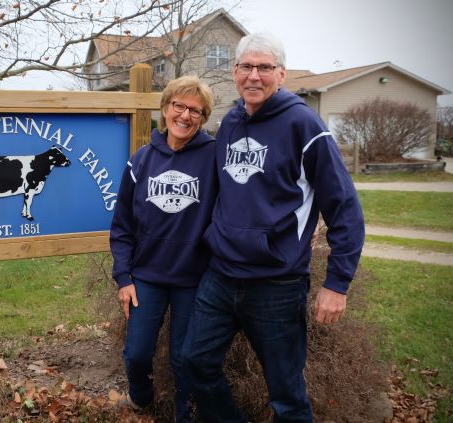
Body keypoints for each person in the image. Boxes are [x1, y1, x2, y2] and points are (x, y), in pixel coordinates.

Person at [182, 31, 365, 422]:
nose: (254, 76)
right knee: (195, 361)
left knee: (286, 391)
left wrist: (337, 283)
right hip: (221, 275)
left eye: (264, 68)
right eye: (246, 66)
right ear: (233, 71)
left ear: (281, 74)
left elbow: (344, 207)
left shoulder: (304, 125)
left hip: (276, 283)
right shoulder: (229, 122)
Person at [110, 75, 217, 422]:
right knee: (137, 354)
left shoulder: (214, 159)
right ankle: (140, 397)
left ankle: (183, 415)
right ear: (165, 108)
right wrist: (124, 277)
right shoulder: (140, 161)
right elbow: (122, 225)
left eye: (195, 111)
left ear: (203, 118)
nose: (185, 116)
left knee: (184, 358)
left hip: (194, 278)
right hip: (147, 277)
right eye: (179, 106)